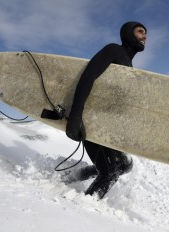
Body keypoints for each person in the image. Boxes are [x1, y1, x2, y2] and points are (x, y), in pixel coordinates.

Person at [65, 21, 147, 199]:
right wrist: (76, 115)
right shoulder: (114, 51)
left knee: (125, 164)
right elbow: (88, 77)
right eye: (140, 31)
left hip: (105, 122)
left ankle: (73, 176)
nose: (145, 36)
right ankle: (81, 208)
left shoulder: (128, 64)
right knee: (111, 171)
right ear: (128, 33)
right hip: (88, 118)